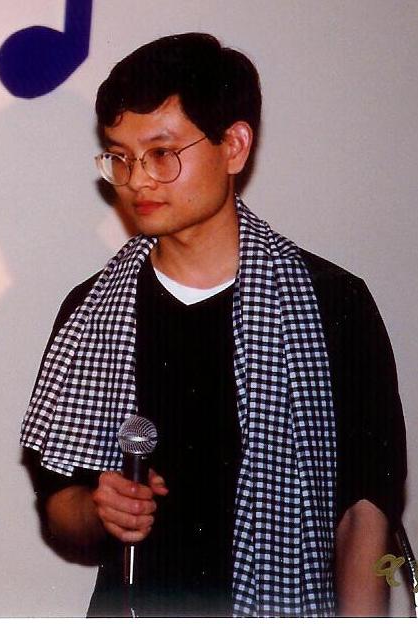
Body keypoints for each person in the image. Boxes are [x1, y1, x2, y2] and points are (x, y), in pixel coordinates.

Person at [21, 33, 406, 617]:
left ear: (234, 146)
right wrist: (97, 509)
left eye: (161, 153)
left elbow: (365, 516)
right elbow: (59, 509)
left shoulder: (335, 305)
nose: (137, 180)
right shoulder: (91, 313)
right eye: (120, 157)